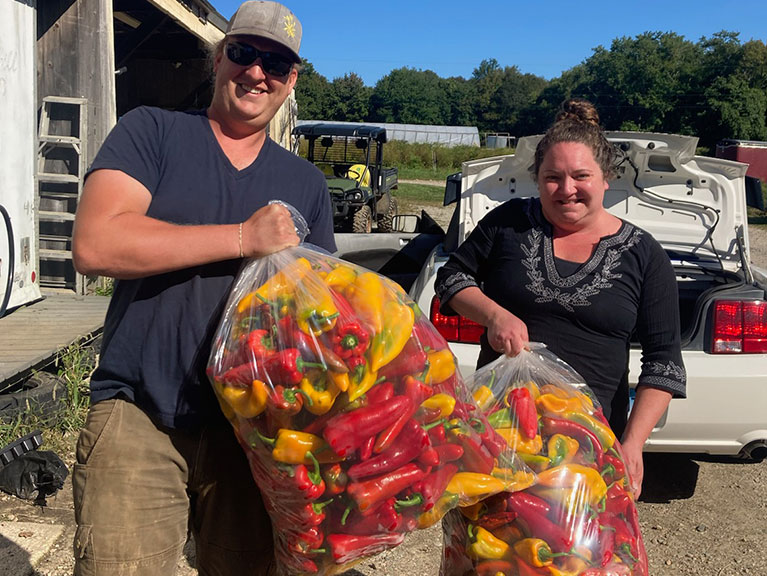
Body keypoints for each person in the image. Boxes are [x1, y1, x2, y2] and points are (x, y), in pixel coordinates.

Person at [70, 2, 334, 574]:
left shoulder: (306, 184)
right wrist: (243, 236)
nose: (257, 72)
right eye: (244, 53)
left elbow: (320, 317)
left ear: (291, 80)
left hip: (254, 436)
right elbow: (96, 245)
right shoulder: (152, 130)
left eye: (276, 63)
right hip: (140, 414)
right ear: (219, 58)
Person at [434, 99, 686, 497]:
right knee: (486, 551)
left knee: (575, 556)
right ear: (538, 179)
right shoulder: (509, 222)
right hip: (499, 435)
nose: (566, 190)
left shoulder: (644, 254)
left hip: (588, 445)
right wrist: (494, 315)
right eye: (553, 177)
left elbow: (664, 364)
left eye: (581, 176)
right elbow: (451, 279)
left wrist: (633, 444)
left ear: (607, 178)